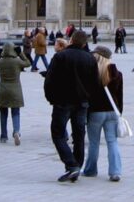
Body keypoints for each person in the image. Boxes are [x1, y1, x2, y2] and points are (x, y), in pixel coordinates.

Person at [44, 32, 96, 183]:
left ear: (71, 40)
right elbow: (94, 84)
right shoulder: (90, 59)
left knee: (58, 134)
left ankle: (71, 165)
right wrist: (88, 99)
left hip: (62, 102)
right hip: (82, 103)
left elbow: (50, 80)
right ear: (85, 44)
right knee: (79, 136)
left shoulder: (61, 56)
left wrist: (51, 98)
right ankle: (77, 167)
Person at [82, 47, 125, 182]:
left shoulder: (91, 73)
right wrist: (119, 112)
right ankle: (115, 171)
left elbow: (87, 95)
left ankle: (90, 170)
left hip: (95, 112)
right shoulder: (117, 73)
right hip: (112, 112)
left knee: (94, 143)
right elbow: (120, 96)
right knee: (112, 142)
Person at [0, 43, 27, 144]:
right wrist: (20, 53)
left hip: (3, 89)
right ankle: (16, 131)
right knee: (15, 112)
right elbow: (28, 63)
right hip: (16, 89)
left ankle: (3, 135)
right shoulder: (17, 61)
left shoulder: (0, 62)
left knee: (3, 113)